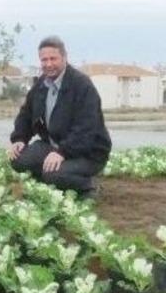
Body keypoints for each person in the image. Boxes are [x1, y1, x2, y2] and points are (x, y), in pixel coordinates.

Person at [7, 36, 111, 196]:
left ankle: (89, 186)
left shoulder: (82, 85)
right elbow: (26, 114)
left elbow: (86, 128)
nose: (48, 64)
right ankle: (52, 181)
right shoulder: (41, 84)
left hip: (87, 153)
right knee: (18, 159)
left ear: (64, 57)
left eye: (53, 59)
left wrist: (62, 152)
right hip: (54, 146)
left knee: (53, 174)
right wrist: (19, 139)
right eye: (44, 60)